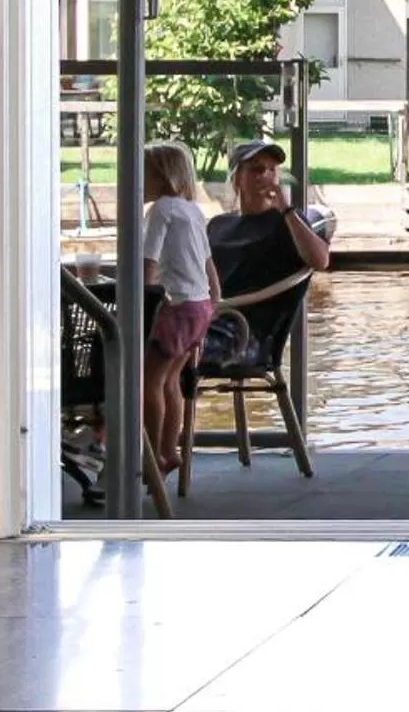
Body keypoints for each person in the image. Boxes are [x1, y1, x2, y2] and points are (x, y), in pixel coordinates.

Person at [140, 141, 218, 475]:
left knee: (149, 382)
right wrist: (213, 300)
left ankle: (153, 453)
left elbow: (148, 261)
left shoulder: (161, 210)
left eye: (142, 173)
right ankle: (169, 449)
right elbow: (208, 264)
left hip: (178, 306)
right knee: (171, 381)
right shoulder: (193, 210)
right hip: (199, 307)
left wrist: (139, 298)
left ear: (161, 176)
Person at [207, 138, 332, 297]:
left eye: (272, 169)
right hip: (210, 310)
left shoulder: (287, 221)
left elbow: (321, 261)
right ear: (236, 179)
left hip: (242, 317)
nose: (265, 175)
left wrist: (286, 209)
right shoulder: (218, 224)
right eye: (257, 169)